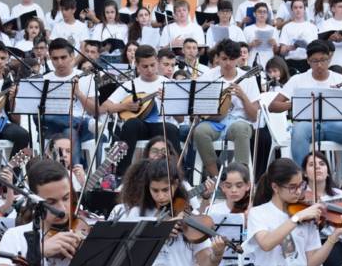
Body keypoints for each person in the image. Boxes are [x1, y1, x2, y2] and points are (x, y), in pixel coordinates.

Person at [269, 39, 342, 186]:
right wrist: (296, 103)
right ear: (308, 61)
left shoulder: (340, 79)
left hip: (335, 125)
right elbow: (273, 106)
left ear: (329, 58)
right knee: (299, 131)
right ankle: (302, 179)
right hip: (308, 124)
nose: (319, 65)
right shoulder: (298, 79)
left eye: (323, 60)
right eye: (315, 61)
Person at [101, 45, 180, 176]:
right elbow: (105, 107)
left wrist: (169, 102)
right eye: (145, 66)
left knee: (171, 128)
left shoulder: (168, 83)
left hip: (160, 126)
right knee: (131, 124)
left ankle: (176, 174)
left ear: (157, 62)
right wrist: (125, 106)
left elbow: (180, 119)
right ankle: (122, 174)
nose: (150, 70)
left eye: (152, 65)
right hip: (139, 128)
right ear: (137, 65)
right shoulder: (130, 85)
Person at [192, 39, 260, 177]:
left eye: (232, 59)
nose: (228, 63)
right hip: (214, 122)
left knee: (241, 129)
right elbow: (198, 109)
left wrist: (243, 97)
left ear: (238, 59)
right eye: (224, 59)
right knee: (200, 131)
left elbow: (254, 116)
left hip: (239, 121)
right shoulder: (208, 76)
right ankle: (216, 178)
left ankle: (240, 178)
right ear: (217, 58)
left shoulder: (248, 79)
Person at [40, 38, 98, 163]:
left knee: (69, 131)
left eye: (63, 57)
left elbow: (94, 111)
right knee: (45, 118)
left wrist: (78, 93)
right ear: (50, 58)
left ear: (72, 56)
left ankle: (70, 171)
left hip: (81, 129)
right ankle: (75, 172)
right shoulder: (43, 80)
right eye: (55, 59)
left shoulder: (86, 77)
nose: (59, 62)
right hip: (51, 126)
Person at [278, 0, 320, 73]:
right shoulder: (286, 27)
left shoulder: (312, 27)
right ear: (292, 10)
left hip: (308, 62)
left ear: (304, 9)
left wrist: (308, 47)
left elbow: (317, 49)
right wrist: (289, 48)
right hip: (291, 62)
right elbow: (282, 51)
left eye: (300, 7)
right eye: (295, 7)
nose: (298, 10)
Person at [244, 2, 278, 68]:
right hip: (252, 59)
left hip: (269, 60)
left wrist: (275, 44)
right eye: (259, 12)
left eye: (264, 12)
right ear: (254, 14)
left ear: (267, 14)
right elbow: (243, 49)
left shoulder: (273, 29)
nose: (262, 14)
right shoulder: (247, 29)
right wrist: (251, 44)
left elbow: (276, 50)